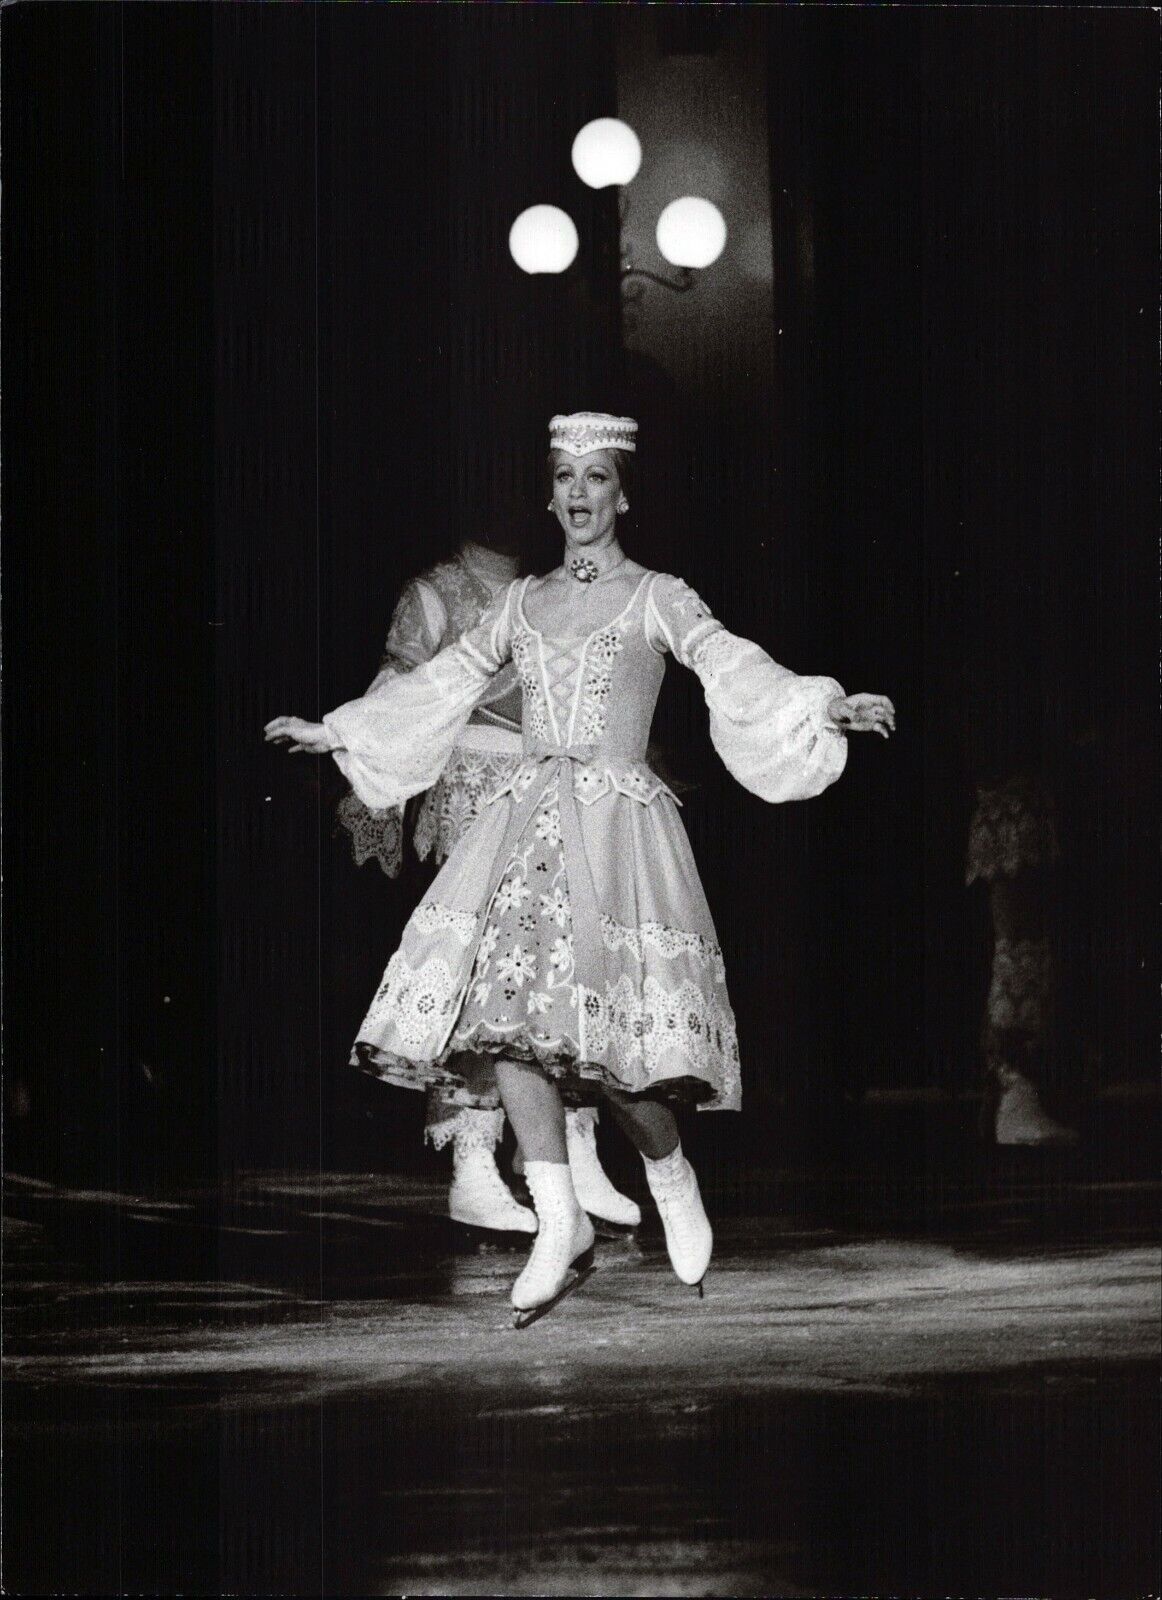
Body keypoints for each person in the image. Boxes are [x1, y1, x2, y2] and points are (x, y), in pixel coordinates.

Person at [267, 411, 895, 1323]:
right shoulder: (521, 602)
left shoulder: (657, 596)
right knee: (501, 1023)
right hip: (521, 825)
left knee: (615, 1063)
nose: (578, 493)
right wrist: (339, 732)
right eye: (565, 476)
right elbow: (444, 684)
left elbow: (730, 665)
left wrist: (821, 708)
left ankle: (671, 1175)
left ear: (623, 492)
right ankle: (558, 1220)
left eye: (596, 476)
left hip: (616, 834)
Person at [338, 535, 641, 1234]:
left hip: (562, 777)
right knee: (488, 974)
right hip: (479, 783)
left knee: (567, 965)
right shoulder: (438, 592)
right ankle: (472, 1161)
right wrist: (354, 746)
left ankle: (573, 1146)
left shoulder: (560, 583)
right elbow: (406, 690)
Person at [966, 772, 1079, 1146]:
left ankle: (1013, 1090)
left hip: (1026, 785)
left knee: (1029, 943)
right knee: (1022, 943)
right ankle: (1012, 1087)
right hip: (1014, 784)